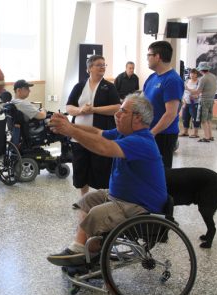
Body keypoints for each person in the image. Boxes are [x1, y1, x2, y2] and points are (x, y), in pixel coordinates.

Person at [47, 94, 167, 266]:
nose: (116, 114)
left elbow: (104, 147)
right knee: (87, 200)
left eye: (122, 111)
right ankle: (79, 249)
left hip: (140, 206)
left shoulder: (141, 141)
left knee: (97, 213)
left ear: (137, 118)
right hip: (122, 198)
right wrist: (69, 125)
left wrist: (70, 131)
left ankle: (92, 255)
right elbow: (98, 133)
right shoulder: (123, 133)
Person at [66, 55, 121, 204]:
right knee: (80, 166)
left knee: (101, 166)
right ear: (90, 68)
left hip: (100, 135)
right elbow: (69, 107)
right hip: (79, 135)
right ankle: (83, 199)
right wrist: (80, 111)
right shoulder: (79, 86)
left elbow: (116, 107)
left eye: (104, 65)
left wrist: (94, 109)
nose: (102, 67)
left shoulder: (109, 87)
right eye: (99, 65)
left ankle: (102, 199)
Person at [143, 41, 184, 169]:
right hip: (148, 131)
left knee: (162, 174)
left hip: (163, 135)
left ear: (157, 57)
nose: (147, 58)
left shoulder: (172, 80)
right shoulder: (152, 77)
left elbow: (171, 113)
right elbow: (142, 102)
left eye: (149, 55)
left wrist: (152, 133)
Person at [187, 62, 217, 142]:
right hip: (211, 100)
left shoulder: (203, 78)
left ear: (200, 70)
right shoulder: (213, 76)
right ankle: (210, 136)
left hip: (204, 100)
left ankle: (206, 137)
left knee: (203, 120)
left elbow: (197, 91)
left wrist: (187, 88)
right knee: (209, 119)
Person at [179, 68, 201, 138]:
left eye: (194, 73)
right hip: (186, 102)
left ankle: (195, 133)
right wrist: (183, 101)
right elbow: (183, 92)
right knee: (185, 117)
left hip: (195, 103)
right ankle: (185, 132)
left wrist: (196, 96)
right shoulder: (187, 81)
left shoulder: (199, 82)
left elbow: (200, 93)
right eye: (191, 73)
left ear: (196, 75)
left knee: (195, 118)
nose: (192, 75)